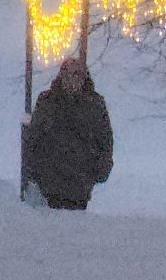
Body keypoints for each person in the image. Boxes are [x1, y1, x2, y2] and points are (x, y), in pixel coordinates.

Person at [23, 57, 114, 211]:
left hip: (79, 185)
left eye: (78, 74)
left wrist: (100, 170)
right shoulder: (48, 101)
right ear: (62, 76)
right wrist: (34, 170)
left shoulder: (94, 104)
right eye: (69, 74)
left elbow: (105, 140)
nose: (73, 79)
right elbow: (33, 138)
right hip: (50, 184)